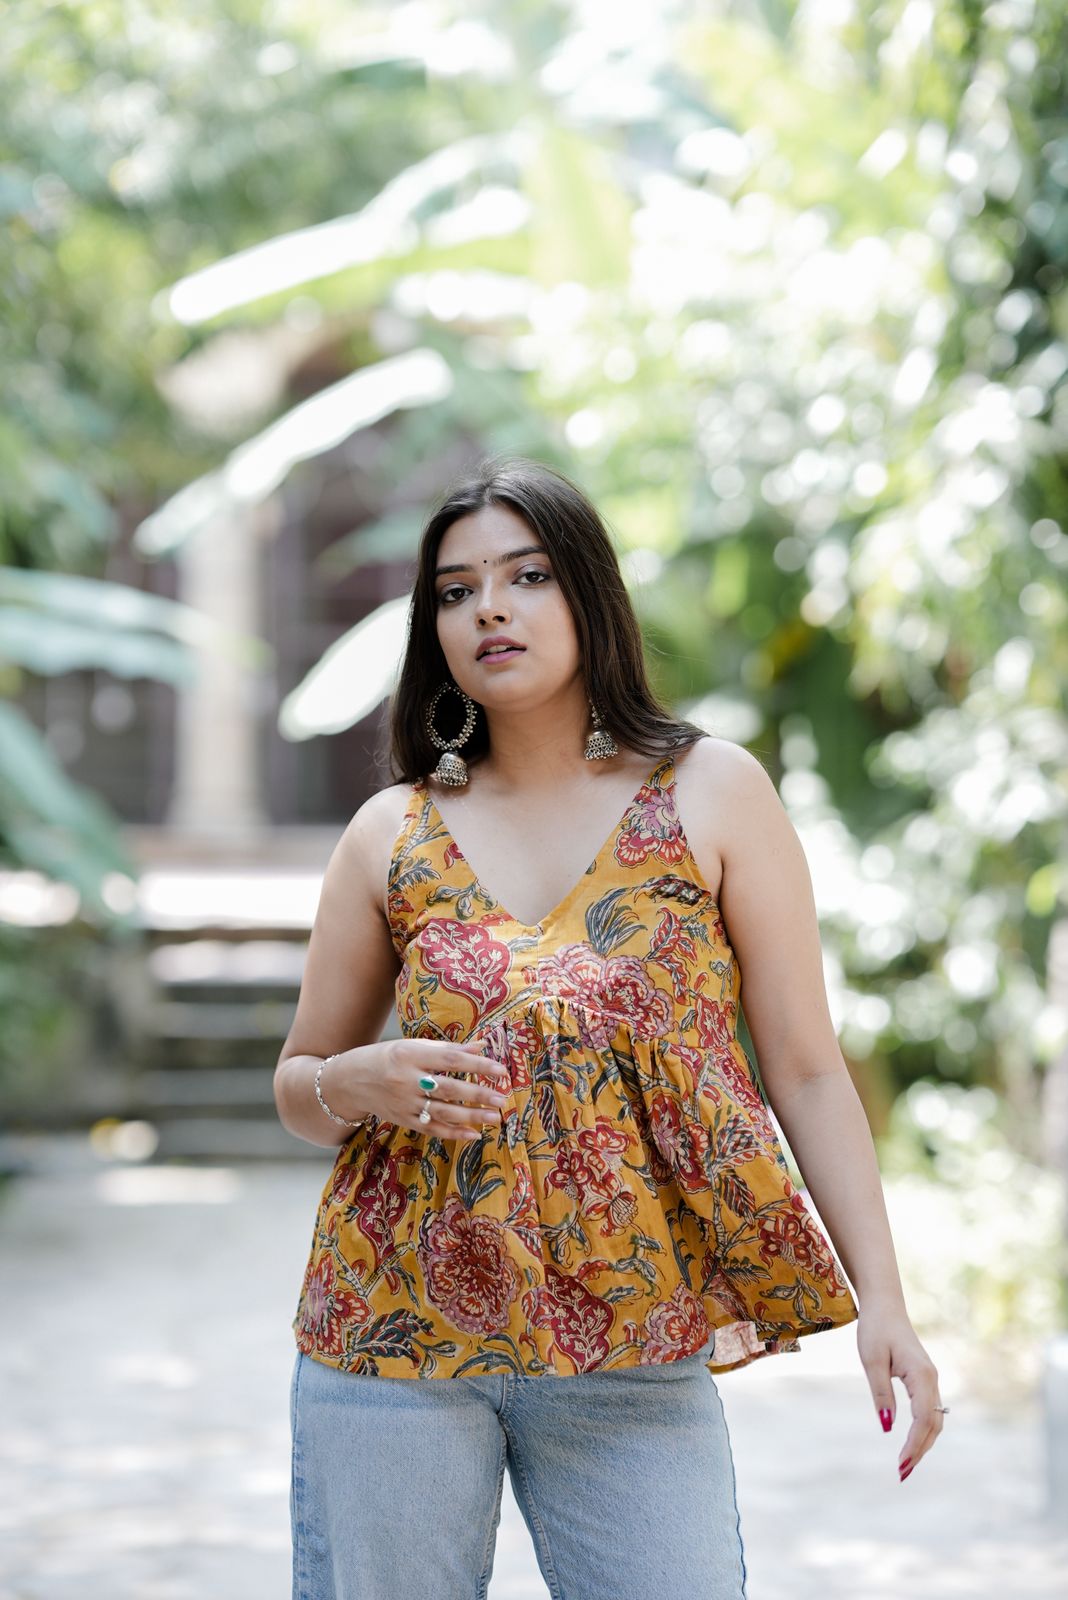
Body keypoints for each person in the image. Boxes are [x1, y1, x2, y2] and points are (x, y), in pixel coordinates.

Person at [274, 456, 946, 1600]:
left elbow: (805, 1066)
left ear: (589, 594)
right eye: (454, 589)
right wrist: (361, 1079)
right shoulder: (390, 831)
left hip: (634, 1344)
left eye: (526, 575)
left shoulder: (712, 791)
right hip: (395, 1332)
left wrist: (884, 1299)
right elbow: (298, 1080)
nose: (489, 606)